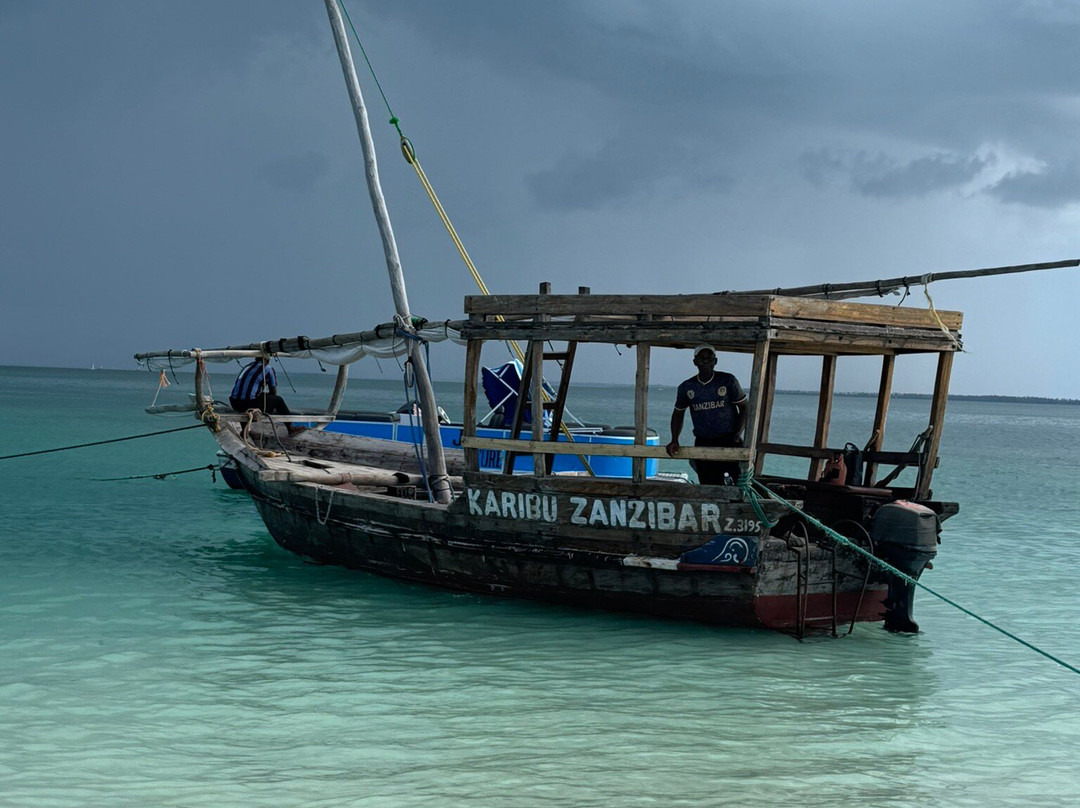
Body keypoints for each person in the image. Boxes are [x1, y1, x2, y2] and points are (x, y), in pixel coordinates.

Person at [665, 345, 747, 485]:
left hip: (729, 440)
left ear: (715, 361)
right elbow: (678, 414)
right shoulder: (687, 387)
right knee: (708, 483)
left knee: (737, 482)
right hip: (703, 440)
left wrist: (737, 434)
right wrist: (674, 439)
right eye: (702, 359)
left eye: (709, 359)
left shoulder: (728, 381)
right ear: (695, 362)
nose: (706, 362)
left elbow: (745, 408)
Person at [230, 357, 303, 435]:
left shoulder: (247, 367)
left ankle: (245, 430)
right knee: (278, 400)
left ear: (256, 358)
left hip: (234, 403)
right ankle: (290, 428)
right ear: (267, 360)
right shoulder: (268, 369)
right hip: (249, 405)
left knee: (251, 397)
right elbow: (273, 392)